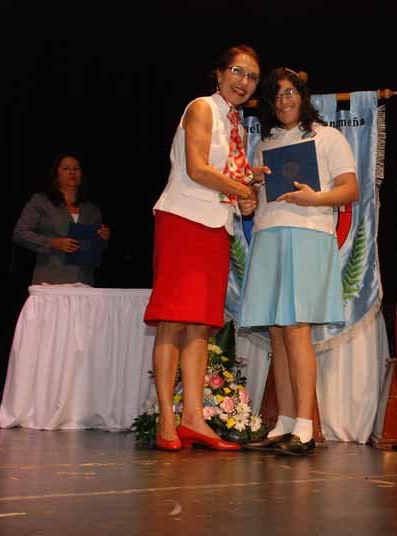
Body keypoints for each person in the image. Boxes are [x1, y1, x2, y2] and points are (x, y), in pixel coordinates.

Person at [143, 45, 261, 451]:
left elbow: (229, 181)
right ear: (219, 73)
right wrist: (241, 189)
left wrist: (247, 191)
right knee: (173, 320)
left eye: (251, 77)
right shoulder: (201, 108)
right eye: (237, 71)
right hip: (183, 220)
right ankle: (167, 418)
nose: (243, 82)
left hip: (216, 225)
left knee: (200, 324)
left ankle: (193, 417)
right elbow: (196, 168)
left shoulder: (237, 125)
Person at [239, 67, 359, 456]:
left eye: (290, 93)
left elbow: (350, 189)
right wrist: (250, 191)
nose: (284, 101)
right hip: (268, 235)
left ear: (303, 97)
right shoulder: (266, 143)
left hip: (308, 234)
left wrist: (315, 198)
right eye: (277, 96)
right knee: (277, 332)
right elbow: (252, 201)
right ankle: (285, 423)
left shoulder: (328, 136)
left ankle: (305, 428)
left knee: (295, 329)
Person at [12, 153, 110, 286]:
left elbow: (96, 248)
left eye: (76, 169)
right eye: (66, 168)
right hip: (50, 281)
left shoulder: (92, 210)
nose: (72, 172)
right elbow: (20, 233)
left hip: (83, 282)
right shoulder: (41, 202)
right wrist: (53, 243)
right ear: (56, 175)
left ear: (81, 175)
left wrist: (103, 238)